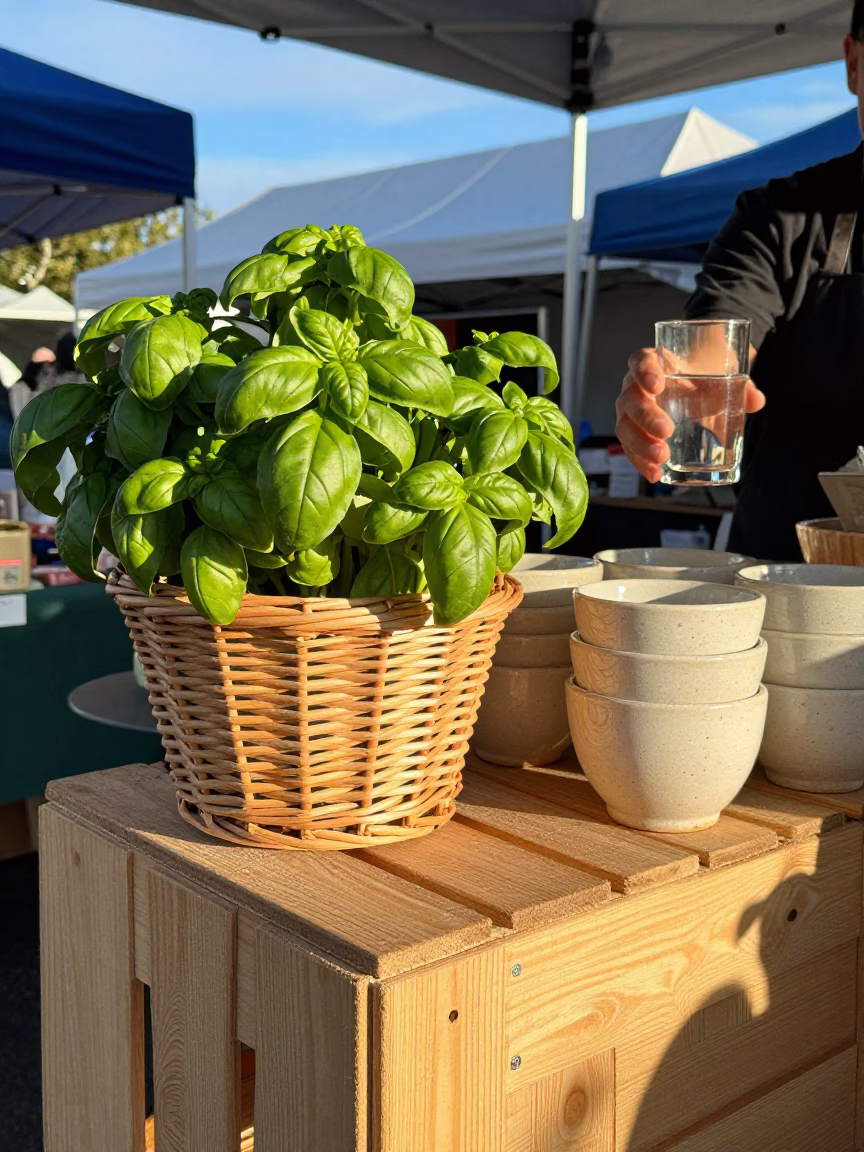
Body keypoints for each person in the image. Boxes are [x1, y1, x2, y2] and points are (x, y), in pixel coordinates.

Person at [616, 4, 864, 561]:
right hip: (787, 583)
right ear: (853, 62)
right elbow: (714, 344)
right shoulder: (780, 216)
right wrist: (674, 388)